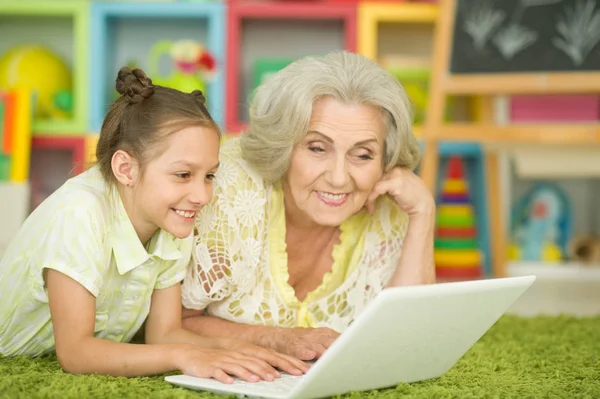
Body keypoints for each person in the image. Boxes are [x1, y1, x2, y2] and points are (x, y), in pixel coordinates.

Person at [0, 67, 308, 383]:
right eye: (183, 175)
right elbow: (76, 352)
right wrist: (181, 356)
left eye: (209, 176)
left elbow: (165, 333)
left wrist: (242, 350)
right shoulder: (80, 213)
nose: (202, 195)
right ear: (126, 169)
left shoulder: (172, 218)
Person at [181, 51, 436, 360]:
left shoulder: (390, 208)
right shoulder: (229, 191)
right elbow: (174, 324)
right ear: (282, 146)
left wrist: (423, 212)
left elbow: (408, 340)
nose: (340, 179)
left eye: (363, 154)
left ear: (385, 160)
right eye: (317, 148)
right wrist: (275, 339)